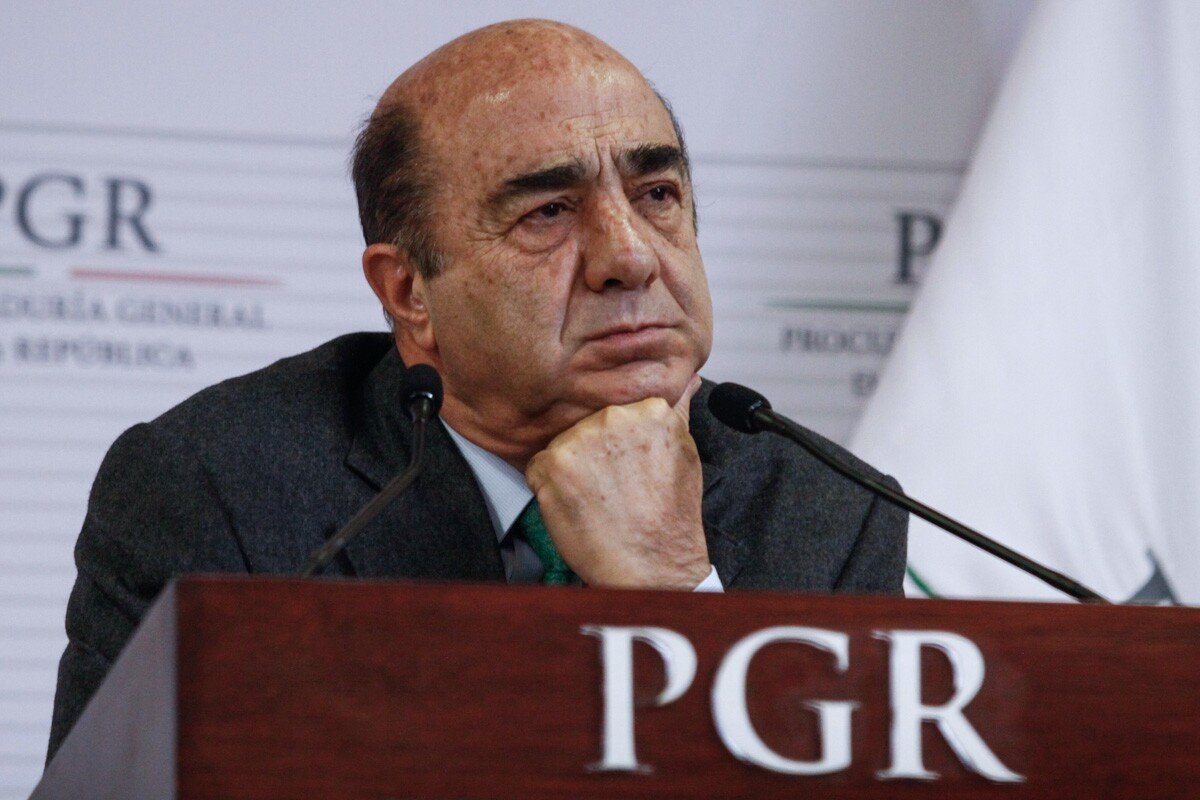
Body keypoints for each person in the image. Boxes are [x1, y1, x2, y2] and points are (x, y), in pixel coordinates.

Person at [47, 19, 907, 760]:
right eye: (548, 213)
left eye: (657, 194)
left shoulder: (825, 513)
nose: (630, 257)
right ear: (409, 294)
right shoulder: (219, 490)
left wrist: (672, 596)